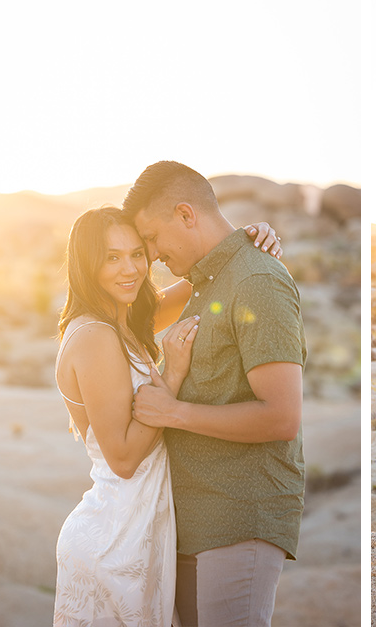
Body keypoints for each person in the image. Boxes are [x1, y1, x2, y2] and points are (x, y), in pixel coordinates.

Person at [52, 205, 280, 626]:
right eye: (111, 257)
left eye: (137, 253)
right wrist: (172, 374)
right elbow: (122, 459)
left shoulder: (123, 321)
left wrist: (245, 239)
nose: (131, 269)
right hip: (116, 537)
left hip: (141, 531)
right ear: (87, 264)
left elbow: (207, 278)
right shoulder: (96, 337)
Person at [123, 161, 307, 627]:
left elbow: (282, 416)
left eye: (150, 238)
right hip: (192, 516)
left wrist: (174, 412)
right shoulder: (210, 281)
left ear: (186, 214)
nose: (151, 255)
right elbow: (130, 321)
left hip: (239, 515)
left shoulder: (257, 281)